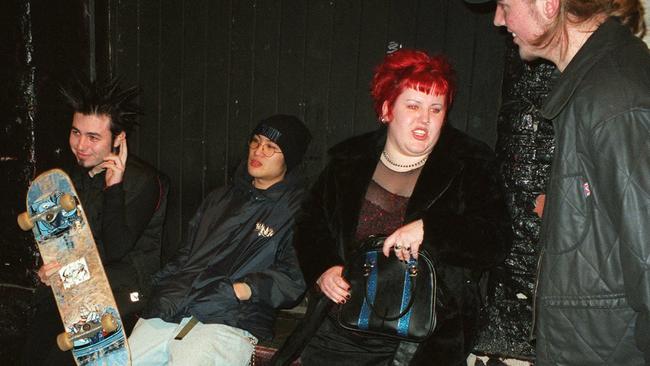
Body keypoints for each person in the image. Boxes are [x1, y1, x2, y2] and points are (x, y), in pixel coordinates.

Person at [271, 49, 510, 366]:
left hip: (425, 337)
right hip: (343, 328)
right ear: (387, 109)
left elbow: (496, 240)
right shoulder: (348, 161)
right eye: (413, 105)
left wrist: (430, 229)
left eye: (435, 109)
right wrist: (324, 268)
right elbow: (310, 225)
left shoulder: (470, 163)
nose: (425, 118)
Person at [465, 0, 650, 364]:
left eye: (504, 4)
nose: (499, 19)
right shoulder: (597, 85)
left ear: (547, 4)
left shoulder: (614, 96)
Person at [128, 114, 311, 366]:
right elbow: (185, 254)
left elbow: (293, 279)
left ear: (289, 158)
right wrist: (161, 287)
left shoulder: (298, 211)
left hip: (231, 317)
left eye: (271, 147)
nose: (258, 151)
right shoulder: (220, 198)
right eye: (255, 142)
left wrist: (238, 291)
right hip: (172, 306)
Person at [20, 77, 168, 365]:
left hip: (124, 285)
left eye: (93, 137)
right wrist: (49, 270)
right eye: (76, 133)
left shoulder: (143, 181)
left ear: (118, 139)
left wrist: (114, 187)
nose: (81, 145)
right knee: (34, 349)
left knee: (61, 358)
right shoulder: (72, 175)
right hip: (79, 279)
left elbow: (116, 251)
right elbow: (64, 240)